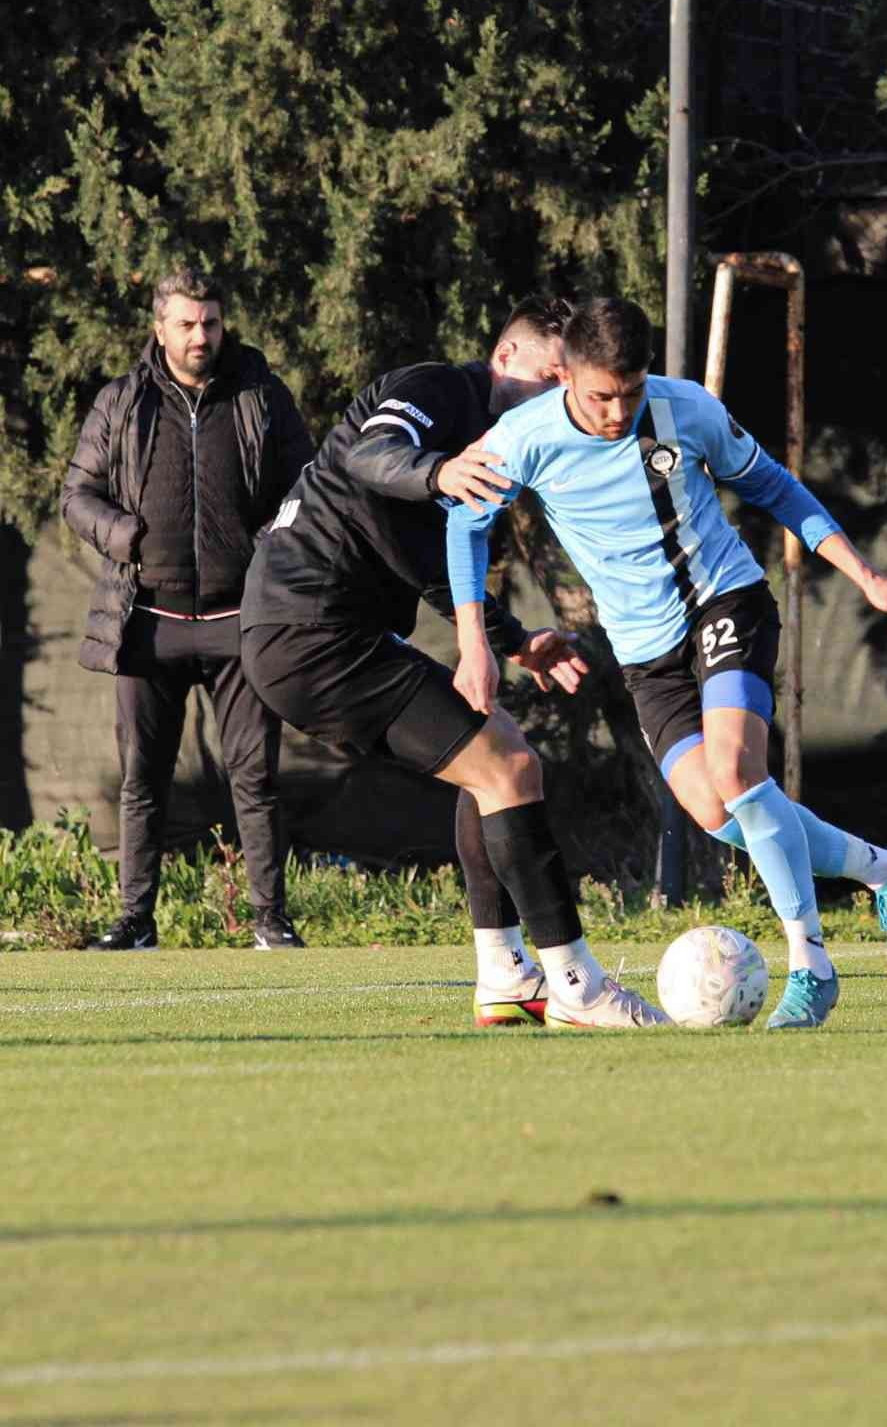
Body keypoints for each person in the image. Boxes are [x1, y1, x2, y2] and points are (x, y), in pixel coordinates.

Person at [447, 295, 887, 1031]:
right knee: (717, 810)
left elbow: (774, 485)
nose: (618, 411)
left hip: (726, 603)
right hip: (647, 654)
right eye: (602, 395)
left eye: (632, 392)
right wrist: (474, 645)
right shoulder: (521, 438)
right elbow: (466, 529)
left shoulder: (687, 409)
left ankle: (813, 966)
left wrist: (867, 576)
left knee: (741, 775)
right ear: (568, 378)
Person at [240, 296, 668, 1028]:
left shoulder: (493, 440)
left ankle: (504, 973)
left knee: (493, 754)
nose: (560, 397)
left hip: (319, 637)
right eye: (549, 376)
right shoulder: (436, 390)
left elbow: (431, 564)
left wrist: (513, 639)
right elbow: (366, 455)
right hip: (310, 632)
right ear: (504, 361)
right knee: (509, 766)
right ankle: (577, 983)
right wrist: (438, 473)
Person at [61, 267, 316, 951]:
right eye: (185, 323)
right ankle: (136, 921)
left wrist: (267, 546)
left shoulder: (261, 395)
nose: (199, 335)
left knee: (256, 776)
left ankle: (271, 923)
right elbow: (76, 495)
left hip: (243, 622)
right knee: (142, 777)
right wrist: (125, 536)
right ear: (159, 328)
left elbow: (307, 486)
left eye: (209, 321)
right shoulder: (121, 402)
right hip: (147, 623)